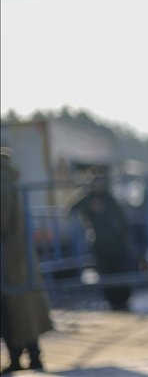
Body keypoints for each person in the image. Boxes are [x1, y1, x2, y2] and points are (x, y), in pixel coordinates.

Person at [1, 148, 53, 374]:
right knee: (22, 306)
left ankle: (19, 357)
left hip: (6, 255)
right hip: (15, 254)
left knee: (11, 307)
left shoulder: (2, 179)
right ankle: (32, 355)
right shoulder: (7, 177)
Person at [69, 171, 134, 311]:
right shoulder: (87, 199)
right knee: (106, 274)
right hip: (100, 244)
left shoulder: (110, 199)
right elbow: (72, 208)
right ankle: (112, 301)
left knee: (120, 272)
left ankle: (123, 299)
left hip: (116, 243)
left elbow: (121, 221)